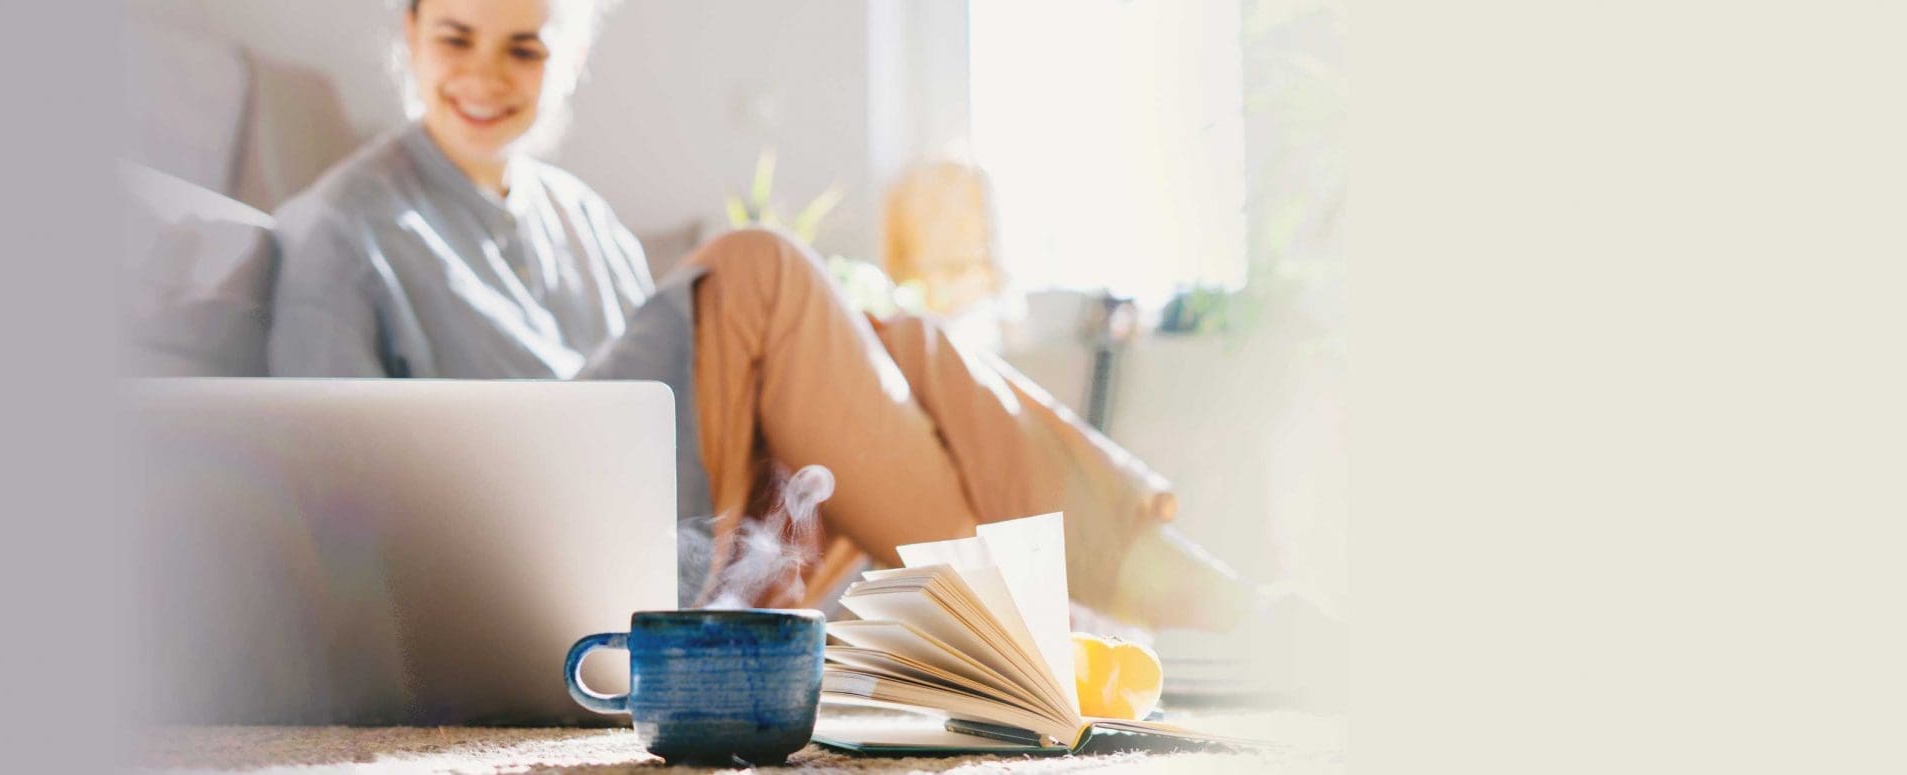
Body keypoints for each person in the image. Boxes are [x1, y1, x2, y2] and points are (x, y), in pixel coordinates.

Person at [266, 0, 1261, 633]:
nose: (483, 75)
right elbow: (317, 498)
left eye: (522, 48)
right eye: (455, 38)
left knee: (903, 339)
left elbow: (686, 425)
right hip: (538, 550)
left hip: (694, 523)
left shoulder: (580, 217)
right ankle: (1024, 635)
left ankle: (1214, 606)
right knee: (758, 263)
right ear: (409, 34)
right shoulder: (344, 228)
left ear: (559, 60)